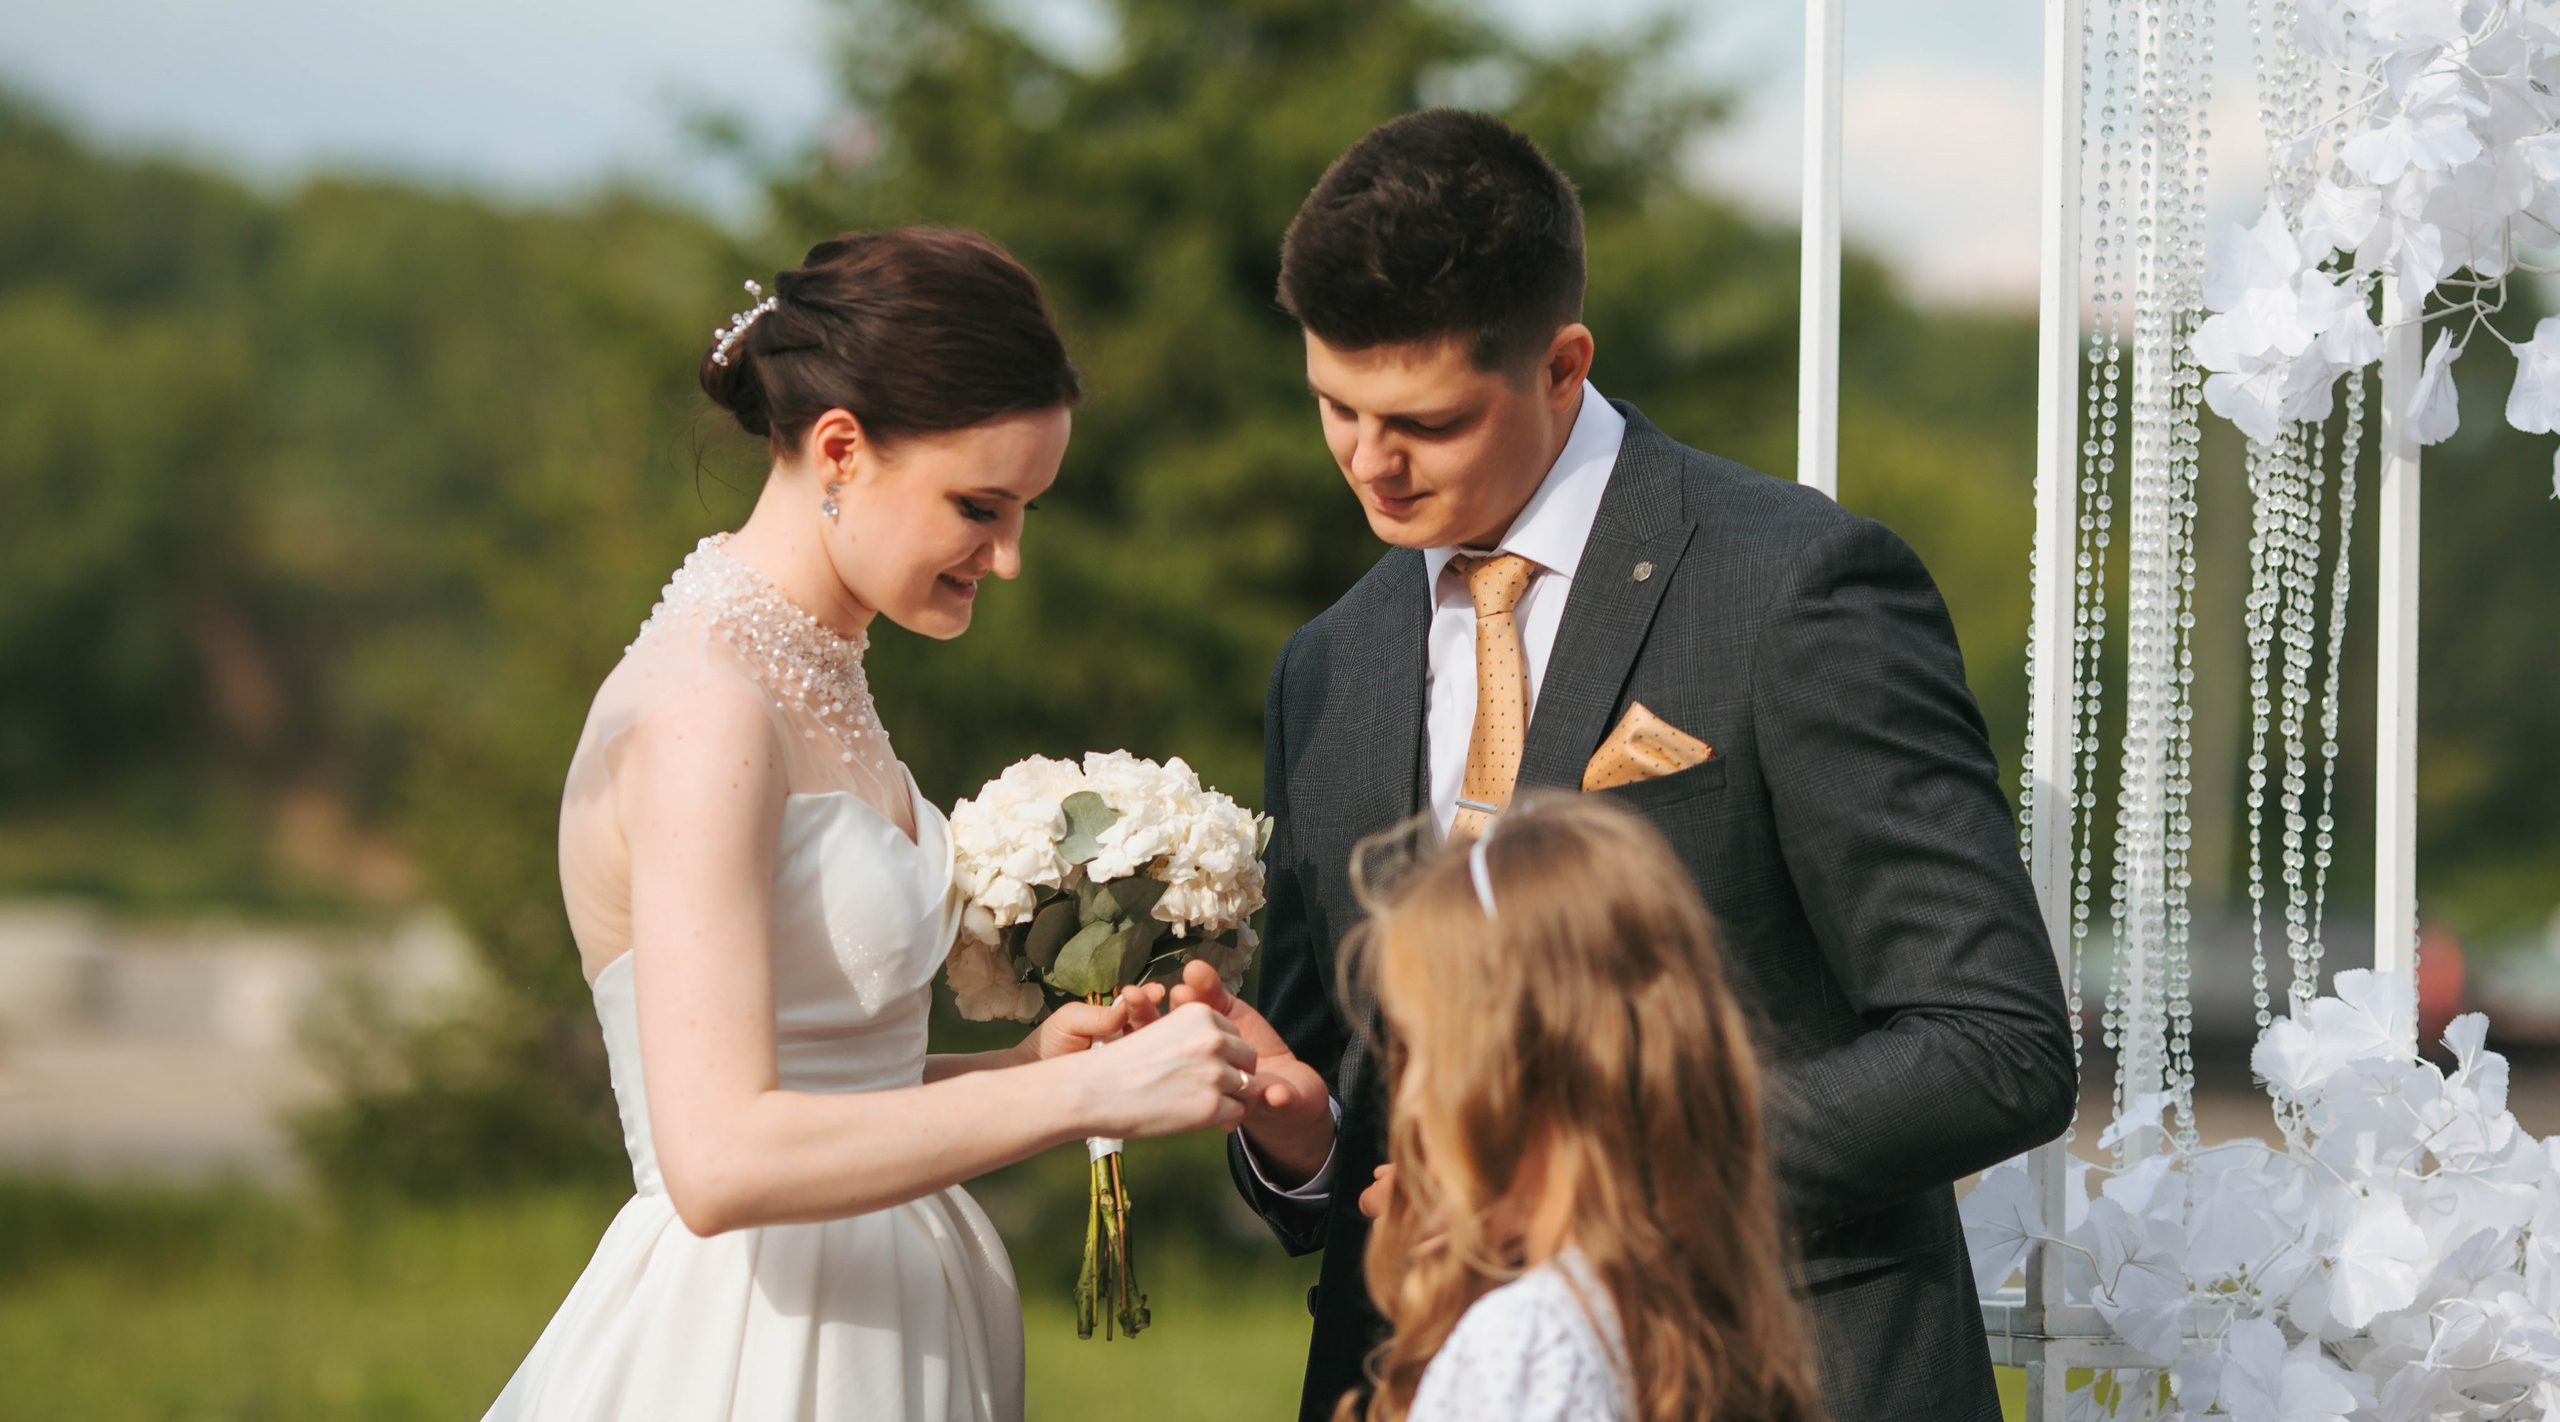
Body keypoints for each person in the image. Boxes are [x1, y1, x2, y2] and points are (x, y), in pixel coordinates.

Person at [1217, 110, 2078, 1422]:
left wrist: (1589, 1185)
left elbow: (1993, 1042)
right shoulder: (1326, 664)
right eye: (1334, 405)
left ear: (1564, 365)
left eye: (1427, 421)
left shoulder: (1797, 588)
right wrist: (1297, 1138)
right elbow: (1356, 1104)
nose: (1369, 463)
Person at [484, 228, 1259, 1422]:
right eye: (980, 506)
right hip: (754, 1341)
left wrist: (1015, 1070)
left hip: (894, 1297)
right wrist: (1085, 1101)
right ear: (840, 447)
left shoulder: (814, 665)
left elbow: (827, 1077)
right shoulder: (706, 710)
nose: (1005, 560)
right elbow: (722, 1158)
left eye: (1024, 512)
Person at [1337, 794, 1826, 1422]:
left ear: (1527, 1065)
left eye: (1426, 1051)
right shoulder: (1668, 1307)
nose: (1405, 1096)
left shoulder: (1529, 1342)